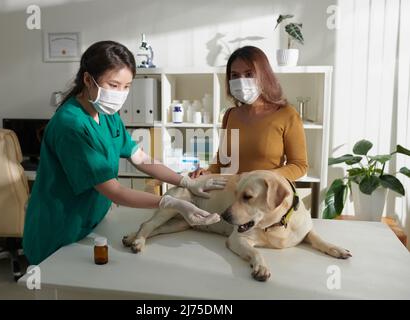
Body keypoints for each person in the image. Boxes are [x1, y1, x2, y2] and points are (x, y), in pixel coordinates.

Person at [23, 41, 226, 265]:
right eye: (114, 84)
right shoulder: (71, 126)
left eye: (127, 86)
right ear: (88, 80)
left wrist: (185, 182)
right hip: (59, 230)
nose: (121, 94)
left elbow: (140, 158)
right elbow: (114, 191)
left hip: (91, 221)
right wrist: (171, 202)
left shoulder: (106, 114)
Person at [190, 46, 308, 181]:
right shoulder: (230, 115)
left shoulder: (287, 114)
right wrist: (207, 172)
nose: (241, 80)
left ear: (264, 75)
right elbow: (222, 160)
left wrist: (265, 177)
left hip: (266, 194)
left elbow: (299, 165)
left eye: (249, 74)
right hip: (233, 192)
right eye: (235, 75)